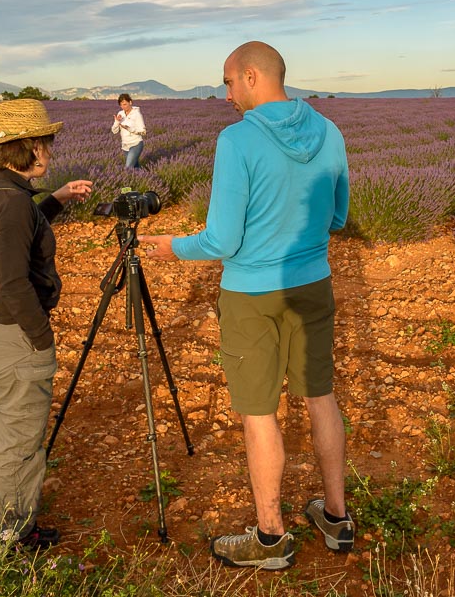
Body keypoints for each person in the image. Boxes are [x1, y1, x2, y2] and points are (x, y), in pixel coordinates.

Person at [140, 41, 352, 570]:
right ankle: (336, 516)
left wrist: (174, 247)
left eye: (229, 82)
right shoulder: (330, 131)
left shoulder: (236, 140)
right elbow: (338, 216)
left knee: (260, 414)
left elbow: (223, 240)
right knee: (320, 396)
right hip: (313, 285)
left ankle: (270, 538)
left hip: (252, 295)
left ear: (253, 76)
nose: (226, 93)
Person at [0, 98, 93, 550]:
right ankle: (10, 539)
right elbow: (14, 283)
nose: (50, 152)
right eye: (46, 144)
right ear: (32, 147)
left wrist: (54, 200)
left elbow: (7, 241)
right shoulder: (11, 203)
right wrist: (42, 340)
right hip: (12, 337)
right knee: (19, 442)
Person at [112, 93, 146, 168]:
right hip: (125, 146)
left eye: (125, 104)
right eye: (121, 105)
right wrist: (117, 122)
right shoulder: (120, 114)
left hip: (136, 144)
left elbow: (143, 131)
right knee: (135, 168)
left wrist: (130, 129)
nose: (123, 107)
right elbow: (114, 131)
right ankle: (144, 178)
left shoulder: (137, 114)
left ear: (130, 102)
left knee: (128, 167)